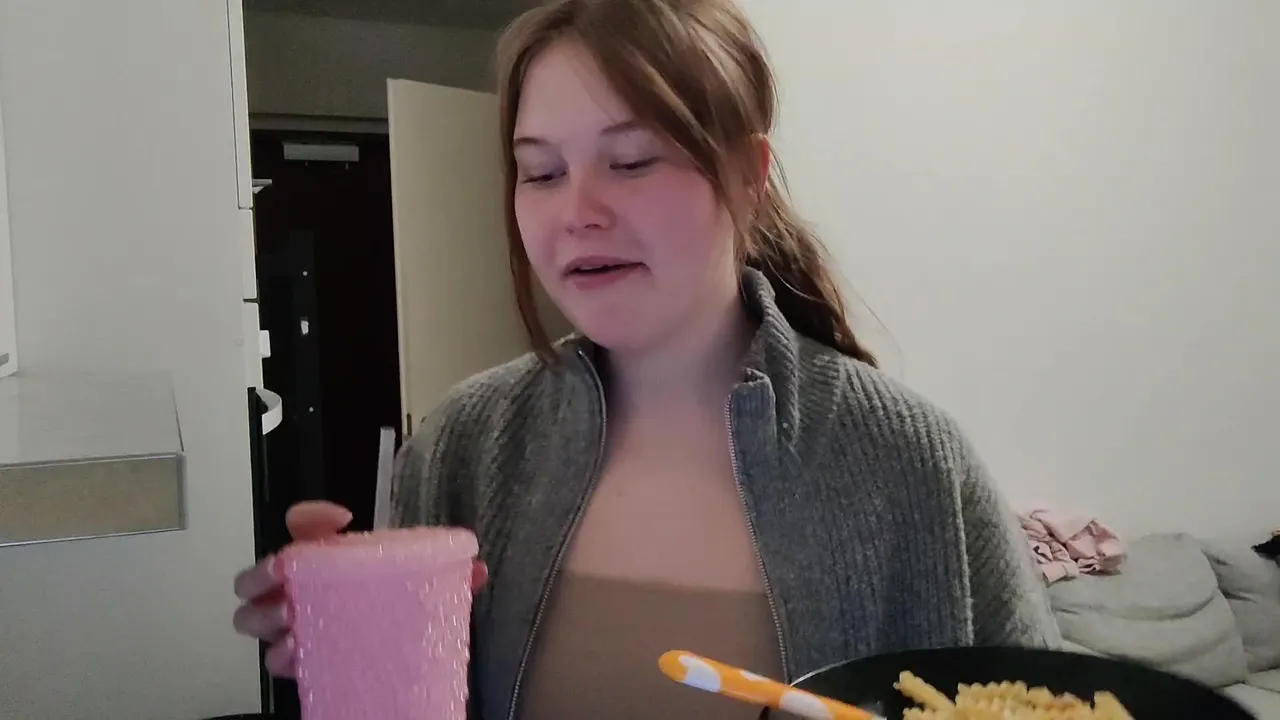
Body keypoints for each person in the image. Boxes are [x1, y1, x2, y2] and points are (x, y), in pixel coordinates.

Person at [233, 0, 1060, 717]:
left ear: (748, 177)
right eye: (540, 172)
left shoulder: (909, 465)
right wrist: (356, 653)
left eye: (631, 161)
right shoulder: (462, 448)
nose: (577, 211)